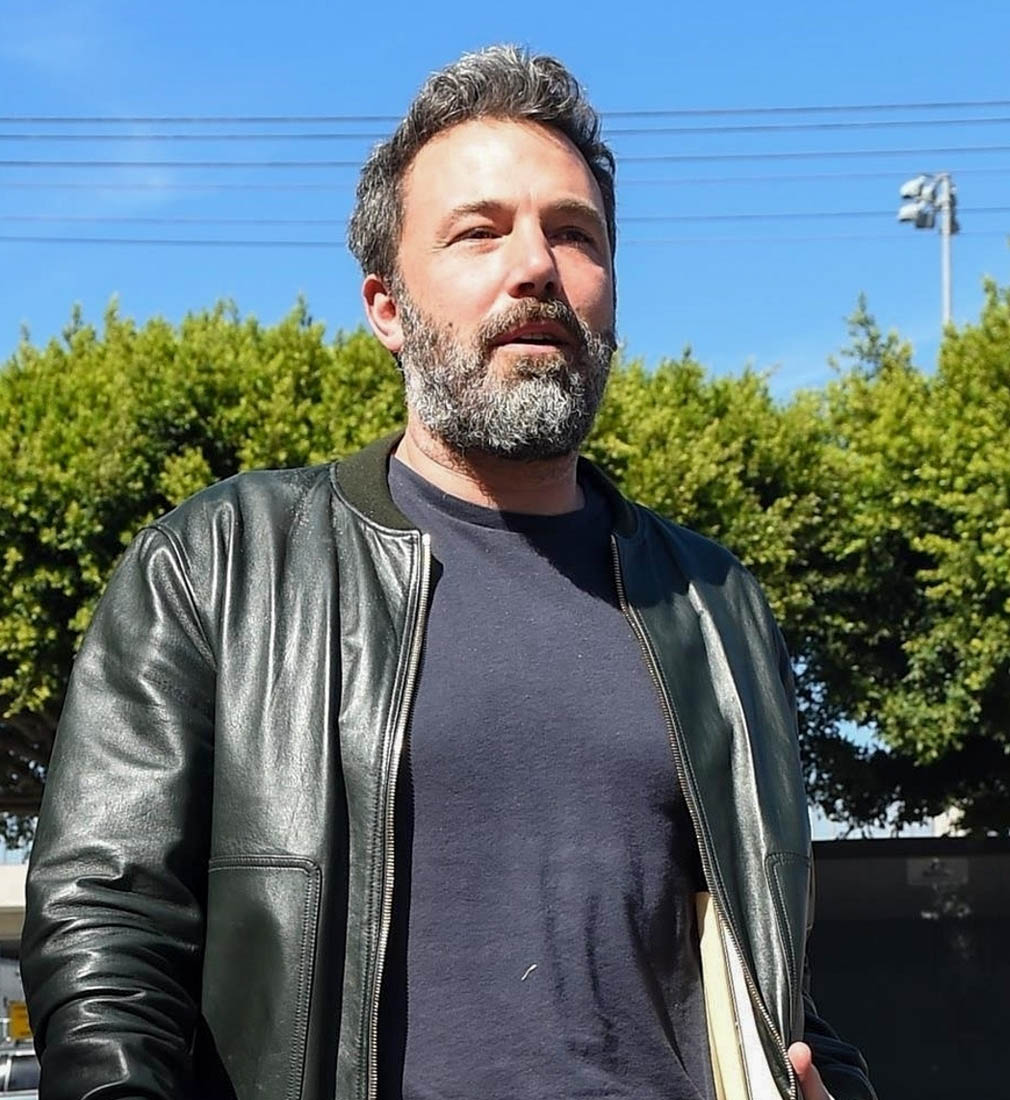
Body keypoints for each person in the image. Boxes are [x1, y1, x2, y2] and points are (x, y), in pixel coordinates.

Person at [21, 45, 875, 1100]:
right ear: (386, 306)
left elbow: (776, 982)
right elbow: (107, 927)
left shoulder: (713, 604)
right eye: (479, 231)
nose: (536, 265)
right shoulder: (219, 565)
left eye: (575, 233)